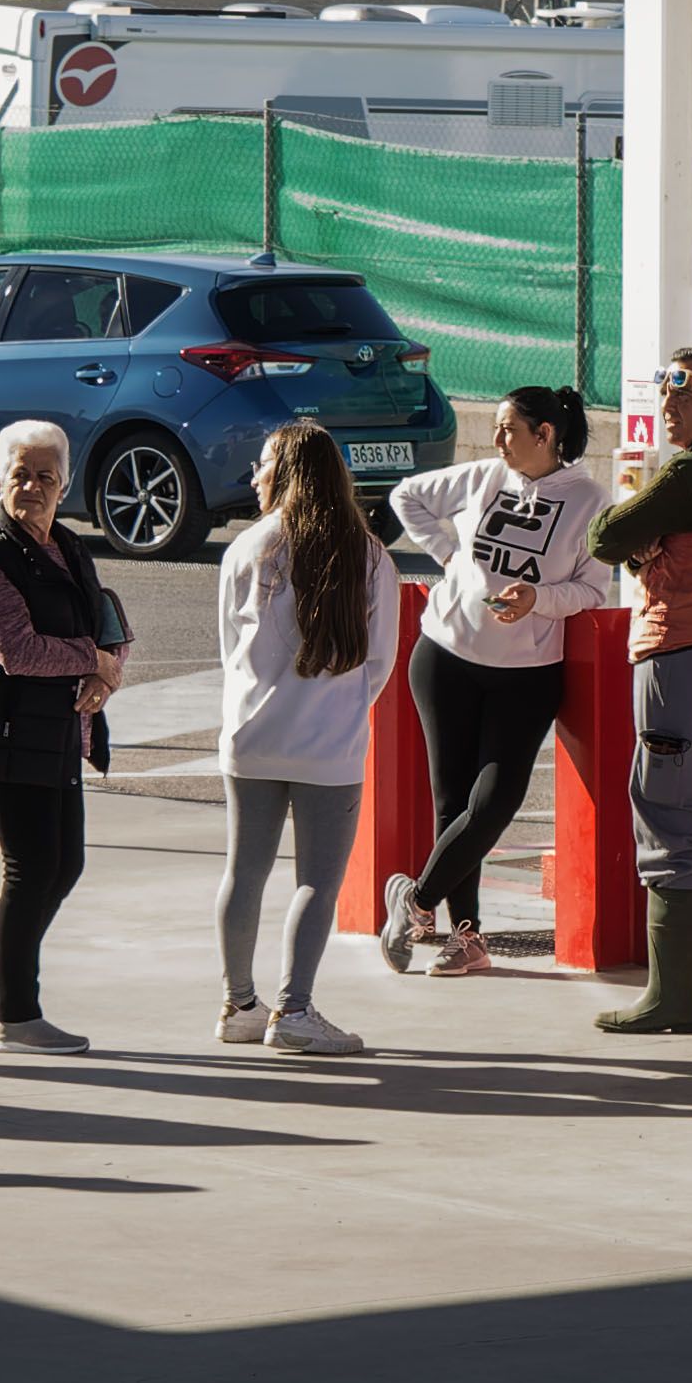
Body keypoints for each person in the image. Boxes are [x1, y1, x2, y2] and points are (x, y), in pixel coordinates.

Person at [384, 386, 608, 978]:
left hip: (527, 674)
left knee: (495, 802)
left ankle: (416, 900)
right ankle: (468, 939)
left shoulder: (589, 500)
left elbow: (592, 589)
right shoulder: (483, 477)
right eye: (499, 427)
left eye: (511, 428)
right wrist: (451, 559)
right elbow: (406, 496)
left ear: (546, 435)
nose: (498, 438)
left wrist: (539, 598)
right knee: (451, 802)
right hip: (445, 656)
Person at [581, 347, 692, 1032]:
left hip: (678, 659)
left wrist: (638, 536)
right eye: (662, 385)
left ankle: (672, 997)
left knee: (666, 823)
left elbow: (608, 534)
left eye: (682, 388)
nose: (667, 399)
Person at [0, 417, 133, 1053]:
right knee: (30, 868)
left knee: (64, 863)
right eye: (20, 474)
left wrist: (104, 674)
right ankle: (18, 1019)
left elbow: (111, 629)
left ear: (64, 485)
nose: (31, 487)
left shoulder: (69, 547)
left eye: (44, 477)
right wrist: (92, 659)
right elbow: (16, 650)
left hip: (60, 729)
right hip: (7, 730)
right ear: (2, 477)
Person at [214, 421, 399, 1057]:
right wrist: (337, 707)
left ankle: (239, 1004)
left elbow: (228, 651)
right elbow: (380, 661)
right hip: (330, 743)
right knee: (317, 879)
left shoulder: (248, 548)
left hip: (252, 733)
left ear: (287, 472)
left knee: (246, 870)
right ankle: (294, 1010)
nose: (256, 476)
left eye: (264, 464)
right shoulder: (370, 554)